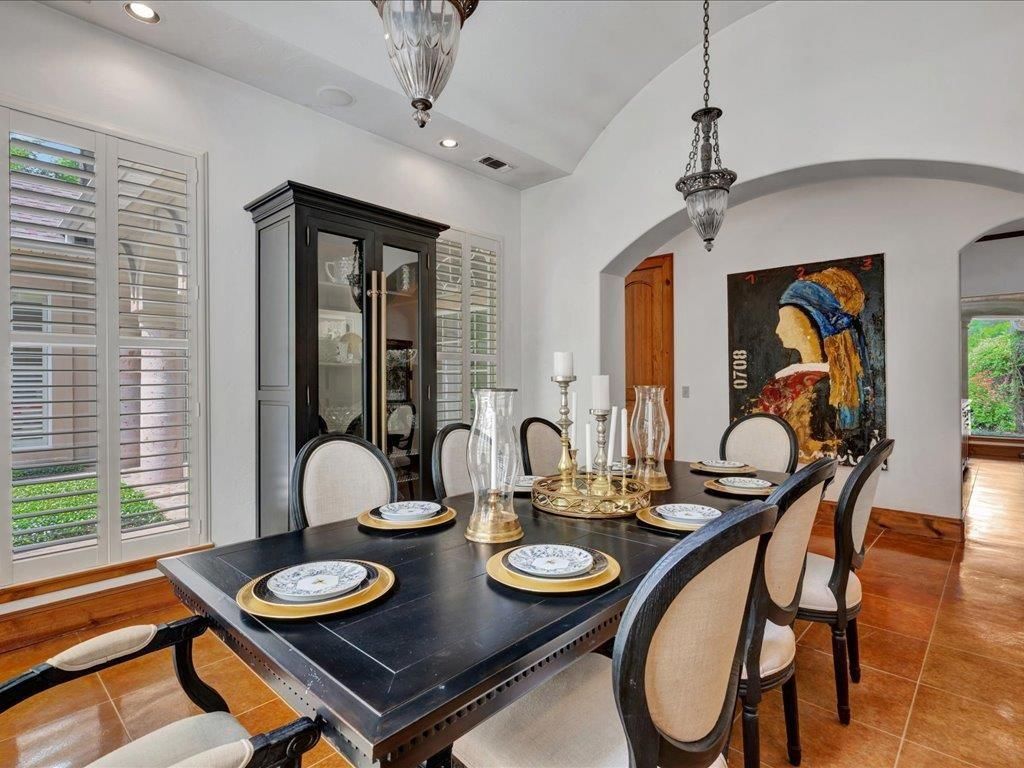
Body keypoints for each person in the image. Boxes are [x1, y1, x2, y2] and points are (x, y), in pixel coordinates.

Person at [749, 267, 869, 461]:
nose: (778, 330)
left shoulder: (818, 387)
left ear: (811, 324)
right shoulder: (803, 380)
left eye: (786, 320)